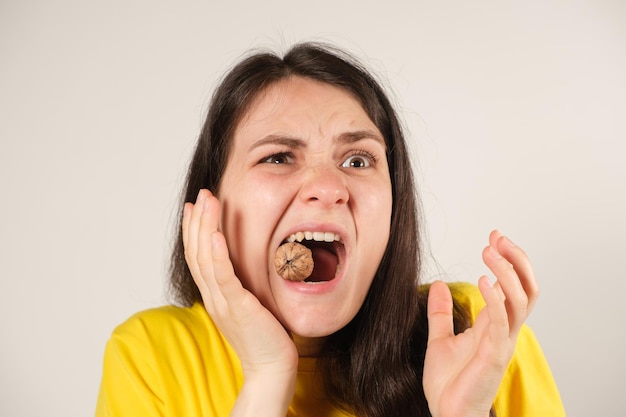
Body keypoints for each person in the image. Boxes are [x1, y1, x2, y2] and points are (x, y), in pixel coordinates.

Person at [95, 42, 565, 417]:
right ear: (209, 204)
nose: (327, 186)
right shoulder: (153, 356)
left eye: (358, 159)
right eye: (278, 157)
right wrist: (265, 377)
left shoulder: (478, 332)